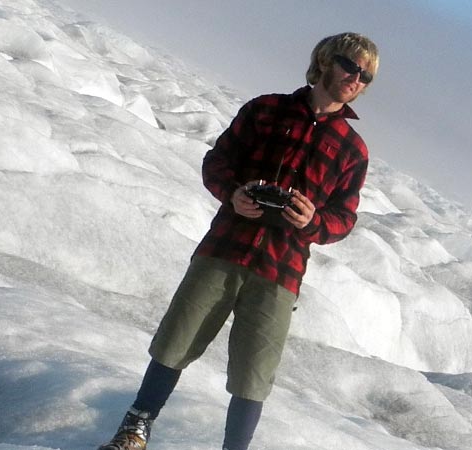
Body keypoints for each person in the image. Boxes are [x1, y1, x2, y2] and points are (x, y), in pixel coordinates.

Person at [96, 32, 378, 450]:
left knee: (254, 373)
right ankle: (135, 429)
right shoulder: (266, 109)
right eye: (351, 66)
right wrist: (233, 193)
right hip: (225, 247)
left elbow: (344, 218)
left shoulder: (353, 150)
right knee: (176, 339)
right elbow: (217, 161)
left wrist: (312, 220)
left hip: (281, 269)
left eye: (366, 75)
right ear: (325, 61)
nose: (357, 78)